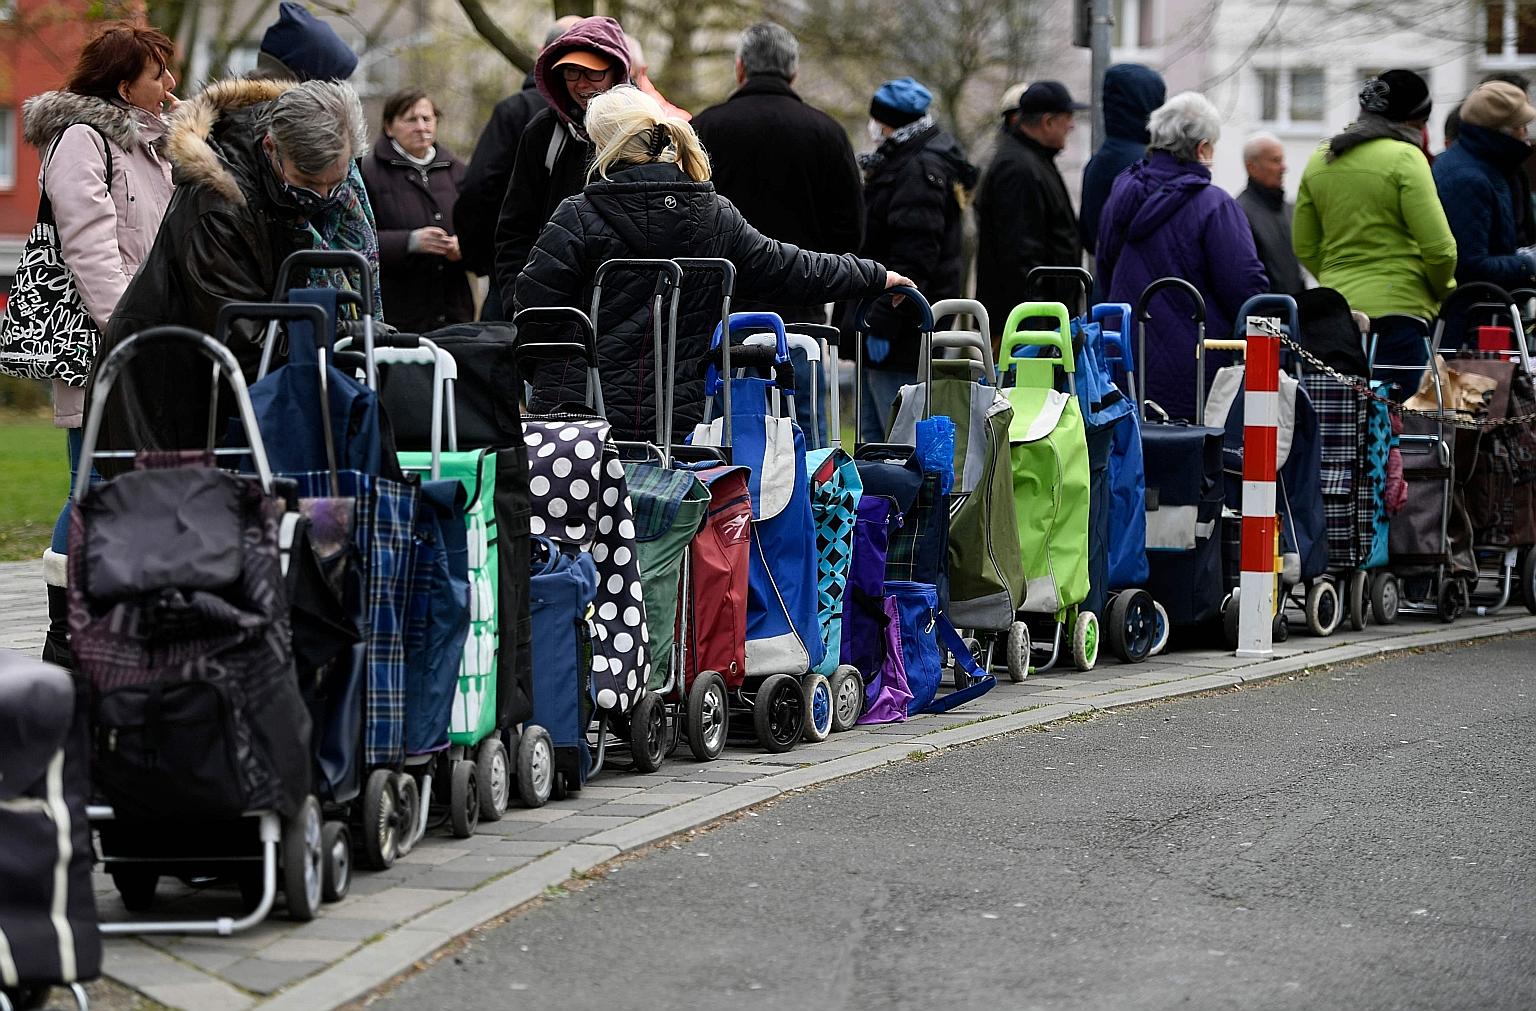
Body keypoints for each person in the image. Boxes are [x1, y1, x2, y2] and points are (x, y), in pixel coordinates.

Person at [514, 85, 911, 441]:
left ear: (604, 145)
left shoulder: (579, 216)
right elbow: (789, 268)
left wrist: (550, 382)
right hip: (685, 418)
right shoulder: (712, 214)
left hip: (583, 419)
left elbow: (533, 311)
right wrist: (877, 275)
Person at [91, 78, 373, 456]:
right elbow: (245, 341)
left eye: (335, 183)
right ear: (272, 148)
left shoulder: (299, 181)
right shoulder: (217, 209)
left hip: (217, 395)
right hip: (168, 400)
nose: (324, 198)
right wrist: (341, 335)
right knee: (132, 509)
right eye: (308, 182)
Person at [21, 21, 178, 669]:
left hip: (147, 344)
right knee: (96, 481)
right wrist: (127, 330)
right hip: (103, 344)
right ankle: (63, 631)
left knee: (127, 481)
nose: (170, 85)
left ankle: (115, 619)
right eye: (158, 75)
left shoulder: (152, 148)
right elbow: (90, 247)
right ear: (122, 86)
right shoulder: (83, 140)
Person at [692, 22, 866, 443]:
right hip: (799, 310)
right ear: (794, 72)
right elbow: (851, 232)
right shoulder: (826, 134)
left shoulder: (704, 130)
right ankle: (809, 505)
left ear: (739, 69)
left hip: (722, 310)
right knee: (803, 431)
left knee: (720, 431)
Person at [1096, 92, 1268, 421]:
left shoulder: (1122, 189)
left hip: (1124, 351)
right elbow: (1244, 287)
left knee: (1131, 452)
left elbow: (1105, 264)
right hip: (1197, 357)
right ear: (1202, 148)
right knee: (1189, 455)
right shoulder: (1214, 204)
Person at [1293, 70, 1456, 388]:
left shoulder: (1321, 158)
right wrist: (1441, 289)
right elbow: (1439, 249)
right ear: (1415, 122)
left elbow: (1305, 245)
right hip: (1401, 315)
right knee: (1401, 424)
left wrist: (1334, 279)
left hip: (1338, 317)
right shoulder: (1407, 159)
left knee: (1345, 424)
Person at [855, 77, 978, 442]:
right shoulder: (909, 162)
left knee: (895, 439)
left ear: (889, 123)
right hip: (893, 321)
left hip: (900, 328)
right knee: (876, 441)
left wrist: (882, 322)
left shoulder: (916, 171)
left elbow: (913, 258)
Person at [493, 16, 631, 310]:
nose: (581, 85)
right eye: (571, 72)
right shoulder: (542, 133)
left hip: (629, 308)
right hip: (552, 309)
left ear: (616, 72)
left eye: (592, 73)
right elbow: (514, 229)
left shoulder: (645, 132)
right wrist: (516, 302)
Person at [455, 16, 580, 318]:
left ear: (541, 51)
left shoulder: (515, 110)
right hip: (552, 273)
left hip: (516, 269)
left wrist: (482, 260)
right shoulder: (530, 117)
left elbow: (477, 188)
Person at [976, 81, 1088, 334]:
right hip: (1028, 327)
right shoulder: (1018, 169)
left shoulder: (1032, 161)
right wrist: (1038, 326)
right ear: (1048, 122)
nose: (1071, 126)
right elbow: (1020, 255)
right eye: (1067, 119)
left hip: (1037, 320)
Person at [361, 89, 474, 332]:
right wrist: (410, 242)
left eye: (427, 119)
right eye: (411, 120)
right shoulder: (368, 173)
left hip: (454, 310)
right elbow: (357, 238)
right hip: (397, 313)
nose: (421, 127)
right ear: (389, 127)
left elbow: (483, 229)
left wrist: (464, 246)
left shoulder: (459, 172)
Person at [1434, 82, 1536, 343]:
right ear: (1502, 132)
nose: (1527, 135)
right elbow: (1470, 264)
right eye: (1522, 126)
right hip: (1472, 327)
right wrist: (1528, 262)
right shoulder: (1469, 178)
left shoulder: (1483, 165)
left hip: (1478, 317)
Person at [1080, 63, 1165, 256]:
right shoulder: (1150, 165)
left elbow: (1088, 237)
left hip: (1105, 281)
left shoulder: (1095, 164)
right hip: (1143, 282)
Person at [1235, 133, 1305, 297]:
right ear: (1251, 167)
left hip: (1295, 314)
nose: (1284, 168)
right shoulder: (1239, 214)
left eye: (1282, 160)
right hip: (1264, 316)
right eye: (1275, 161)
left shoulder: (1289, 210)